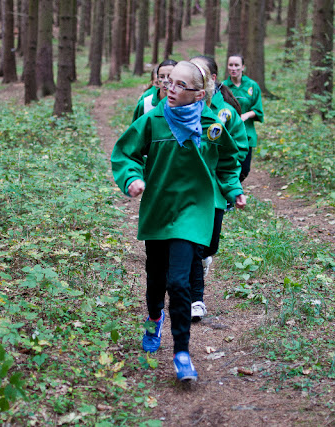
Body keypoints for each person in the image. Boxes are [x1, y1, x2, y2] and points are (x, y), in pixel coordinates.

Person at [111, 61, 246, 382]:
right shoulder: (152, 120)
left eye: (179, 85)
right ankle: (153, 320)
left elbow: (228, 162)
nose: (170, 89)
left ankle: (182, 353)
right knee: (156, 278)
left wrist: (234, 190)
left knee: (179, 282)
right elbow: (125, 153)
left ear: (199, 93)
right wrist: (132, 178)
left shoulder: (212, 124)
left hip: (193, 211)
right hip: (159, 208)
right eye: (169, 82)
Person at [188, 56, 249, 321]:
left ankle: (203, 260)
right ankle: (195, 299)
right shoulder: (179, 109)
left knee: (209, 246)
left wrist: (232, 186)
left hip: (214, 193)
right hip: (187, 192)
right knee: (191, 244)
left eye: (200, 72)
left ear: (212, 79)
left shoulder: (226, 113)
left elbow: (238, 151)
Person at [223, 54, 264, 182]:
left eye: (236, 65)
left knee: (244, 170)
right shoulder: (223, 86)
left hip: (247, 134)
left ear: (243, 67)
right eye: (230, 65)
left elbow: (258, 110)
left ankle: (236, 187)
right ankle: (230, 192)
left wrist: (245, 115)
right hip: (228, 134)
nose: (233, 68)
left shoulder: (252, 85)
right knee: (228, 167)